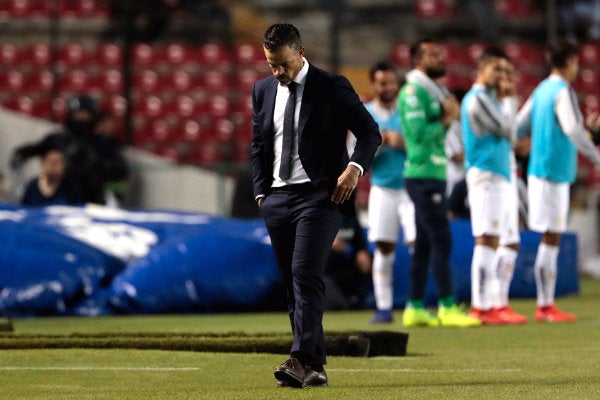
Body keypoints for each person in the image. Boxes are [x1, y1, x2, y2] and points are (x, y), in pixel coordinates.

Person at [251, 23, 381, 388]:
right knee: (293, 284)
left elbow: (370, 132)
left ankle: (299, 358)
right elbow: (258, 146)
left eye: (284, 64)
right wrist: (262, 194)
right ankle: (315, 367)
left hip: (319, 196)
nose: (277, 72)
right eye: (271, 65)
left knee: (306, 275)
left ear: (301, 52)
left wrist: (354, 170)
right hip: (277, 198)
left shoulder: (331, 86)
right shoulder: (262, 91)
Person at [398, 38, 481, 328]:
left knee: (423, 244)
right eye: (433, 55)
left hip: (433, 174)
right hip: (421, 175)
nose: (441, 57)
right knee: (441, 239)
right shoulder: (411, 93)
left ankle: (415, 307)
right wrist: (446, 119)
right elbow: (418, 135)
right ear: (418, 61)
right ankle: (447, 306)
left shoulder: (432, 92)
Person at [516, 41, 600, 322]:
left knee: (550, 237)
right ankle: (545, 305)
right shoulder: (562, 91)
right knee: (551, 237)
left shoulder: (541, 89)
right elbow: (571, 130)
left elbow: (519, 125)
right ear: (570, 62)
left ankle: (545, 304)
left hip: (542, 170)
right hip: (552, 172)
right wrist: (596, 156)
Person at [461, 46, 527, 325]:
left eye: (504, 71)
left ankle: (493, 304)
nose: (501, 76)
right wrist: (510, 99)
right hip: (485, 174)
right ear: (482, 69)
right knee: (486, 238)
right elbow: (510, 130)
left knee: (495, 239)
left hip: (498, 174)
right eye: (496, 69)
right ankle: (480, 305)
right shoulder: (477, 98)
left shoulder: (489, 97)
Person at [362, 61, 416, 324]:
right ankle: (384, 307)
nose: (388, 87)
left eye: (392, 82)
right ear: (373, 85)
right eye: (382, 83)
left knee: (418, 243)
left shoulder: (407, 111)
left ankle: (418, 303)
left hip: (409, 188)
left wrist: (404, 143)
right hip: (382, 188)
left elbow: (424, 147)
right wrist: (380, 145)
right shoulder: (365, 114)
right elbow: (356, 157)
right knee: (384, 247)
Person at [12, 94, 107, 205]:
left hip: (92, 196)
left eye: (84, 114)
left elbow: (117, 170)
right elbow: (35, 149)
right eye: (77, 114)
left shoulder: (100, 143)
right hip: (61, 196)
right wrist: (22, 154)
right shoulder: (58, 139)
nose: (80, 118)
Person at [323, 212, 372, 311]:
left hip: (349, 270)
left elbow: (361, 246)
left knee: (367, 259)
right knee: (338, 304)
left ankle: (364, 298)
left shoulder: (351, 218)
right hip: (326, 274)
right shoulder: (319, 215)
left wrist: (360, 253)